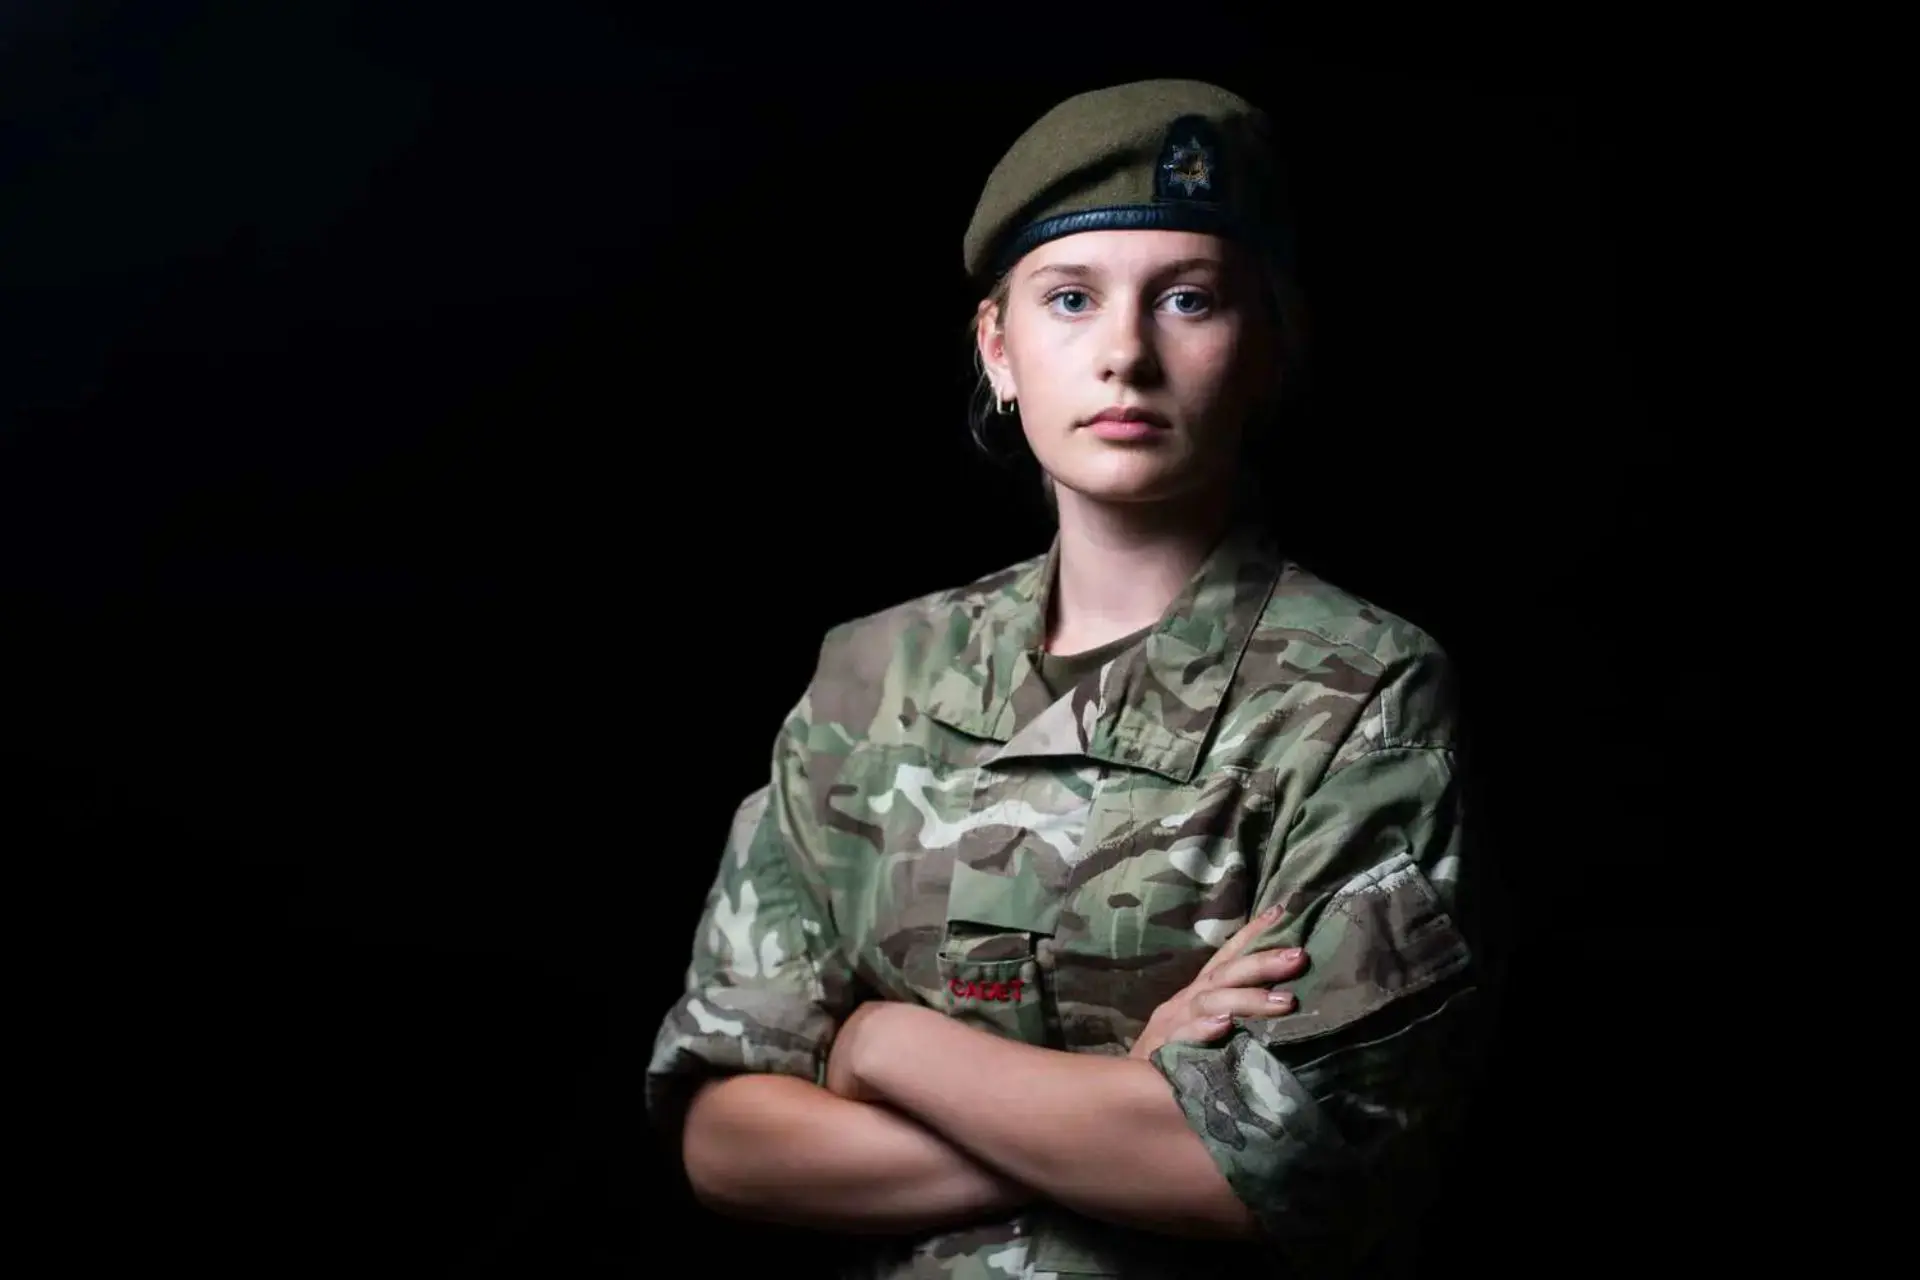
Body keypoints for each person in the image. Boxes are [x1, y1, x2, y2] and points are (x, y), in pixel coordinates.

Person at [645, 78, 1481, 1279]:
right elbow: (727, 1137)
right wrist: (1121, 1091)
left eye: (1188, 299)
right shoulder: (869, 674)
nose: (1127, 353)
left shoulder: (1362, 695)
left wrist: (886, 1045)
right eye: (1072, 299)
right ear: (1000, 348)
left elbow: (1289, 1166)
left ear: (1268, 343)